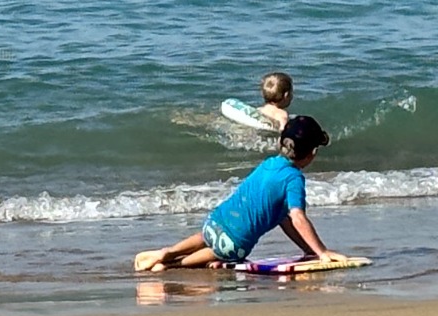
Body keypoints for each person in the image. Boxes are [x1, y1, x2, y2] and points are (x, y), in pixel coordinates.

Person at [135, 115, 338, 272]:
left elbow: (285, 221)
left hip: (214, 221)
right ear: (312, 152)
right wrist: (322, 252)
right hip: (232, 244)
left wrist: (308, 250)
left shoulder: (268, 164)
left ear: (281, 143)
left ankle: (169, 251)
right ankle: (172, 264)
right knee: (224, 252)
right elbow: (298, 218)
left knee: (208, 238)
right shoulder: (293, 178)